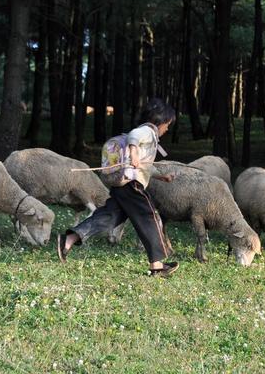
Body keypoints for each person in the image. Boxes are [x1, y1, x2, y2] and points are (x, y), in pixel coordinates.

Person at [57, 98, 179, 277]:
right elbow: (134, 138)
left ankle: (69, 239)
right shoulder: (147, 131)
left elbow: (143, 165)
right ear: (160, 121)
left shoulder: (149, 137)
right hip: (132, 185)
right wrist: (134, 151)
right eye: (167, 124)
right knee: (149, 217)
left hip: (121, 184)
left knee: (109, 217)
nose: (167, 129)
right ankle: (157, 265)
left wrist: (161, 176)